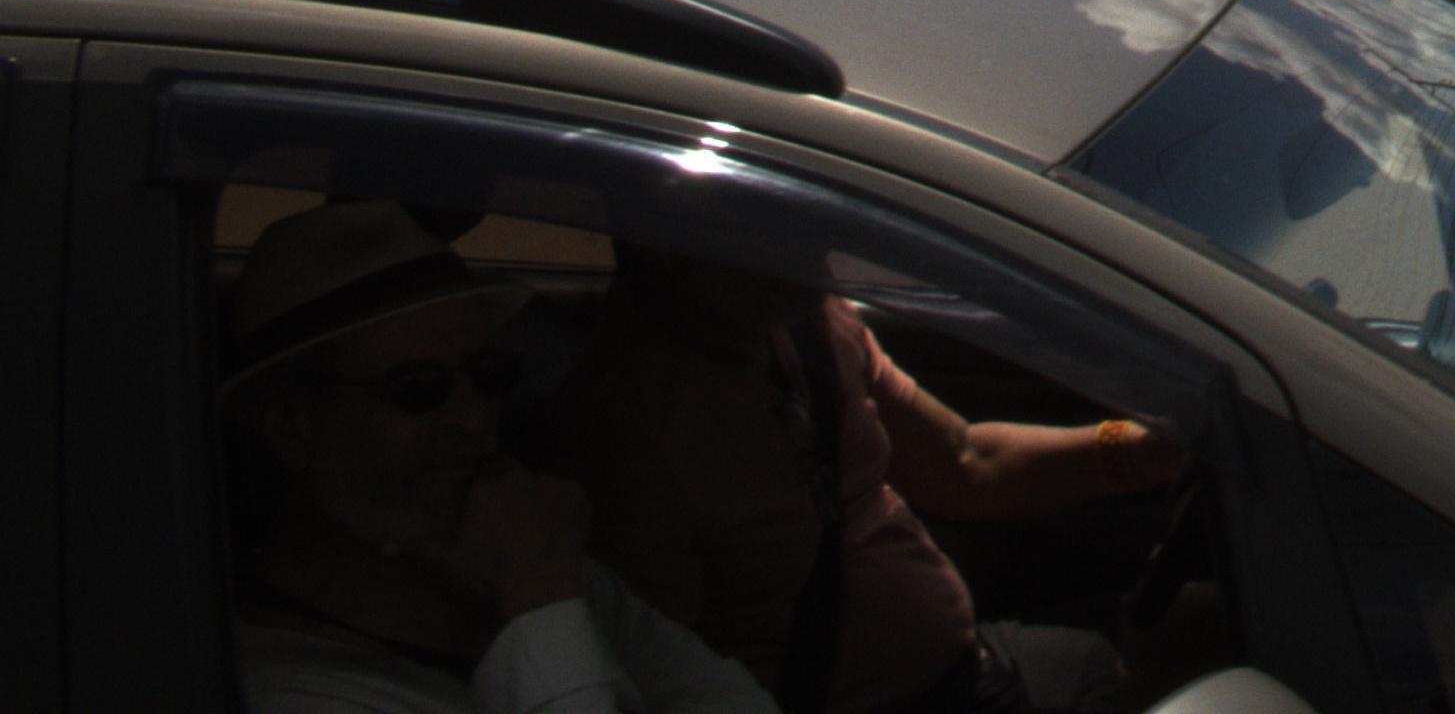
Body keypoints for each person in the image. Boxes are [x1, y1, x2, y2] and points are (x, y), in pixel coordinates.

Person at [569, 244, 1191, 714]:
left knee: (1185, 633)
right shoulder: (627, 431)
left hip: (966, 666)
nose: (813, 246)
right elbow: (660, 675)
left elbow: (964, 463)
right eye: (762, 219)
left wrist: (1141, 452)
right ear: (669, 244)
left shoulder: (805, 323)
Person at [222, 200, 771, 714]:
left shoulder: (514, 553)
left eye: (489, 376)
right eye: (419, 389)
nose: (472, 417)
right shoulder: (288, 689)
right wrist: (540, 603)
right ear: (293, 428)